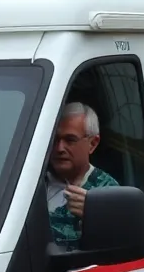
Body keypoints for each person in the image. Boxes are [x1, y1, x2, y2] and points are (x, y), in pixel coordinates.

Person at [46, 102, 119, 249]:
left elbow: (120, 247)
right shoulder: (30, 180)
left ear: (93, 143)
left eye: (70, 140)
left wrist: (95, 216)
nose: (59, 148)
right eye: (55, 139)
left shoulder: (109, 191)